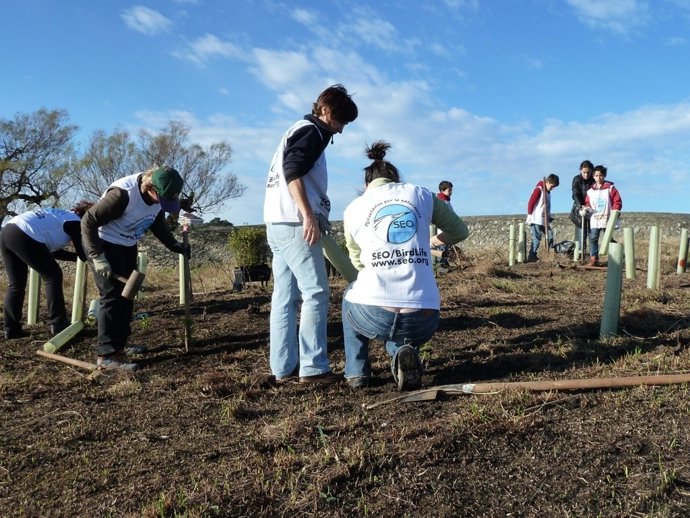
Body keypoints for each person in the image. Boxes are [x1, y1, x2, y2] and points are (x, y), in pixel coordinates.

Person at [342, 141, 470, 391]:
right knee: (405, 309)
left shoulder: (353, 208)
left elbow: (357, 261)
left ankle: (357, 372)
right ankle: (402, 351)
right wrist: (431, 241)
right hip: (424, 316)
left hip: (375, 315)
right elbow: (459, 231)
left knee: (351, 292)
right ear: (396, 180)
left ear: (367, 184)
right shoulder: (420, 194)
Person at [263, 84, 358, 384]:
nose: (341, 131)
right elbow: (293, 172)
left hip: (275, 222)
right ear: (327, 111)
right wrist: (307, 216)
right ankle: (314, 366)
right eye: (341, 122)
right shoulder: (312, 132)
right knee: (316, 292)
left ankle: (283, 367)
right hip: (294, 223)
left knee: (285, 296)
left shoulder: (296, 129)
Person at [81, 166, 190, 370]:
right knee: (112, 296)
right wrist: (97, 256)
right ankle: (106, 357)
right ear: (150, 187)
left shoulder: (158, 197)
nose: (161, 203)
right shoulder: (122, 195)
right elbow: (88, 221)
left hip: (127, 244)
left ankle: (120, 346)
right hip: (103, 243)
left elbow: (156, 223)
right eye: (161, 198)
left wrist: (175, 245)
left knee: (127, 295)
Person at [1, 202, 94, 339]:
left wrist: (76, 257)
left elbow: (52, 253)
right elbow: (83, 253)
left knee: (16, 284)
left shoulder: (62, 217)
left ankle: (11, 329)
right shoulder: (77, 223)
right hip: (24, 233)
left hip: (8, 230)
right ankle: (58, 324)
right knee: (53, 276)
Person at [583, 165, 622, 266]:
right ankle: (593, 259)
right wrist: (586, 209)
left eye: (600, 175)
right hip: (595, 219)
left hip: (607, 218)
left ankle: (618, 255)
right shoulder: (590, 191)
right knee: (593, 238)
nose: (598, 177)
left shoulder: (610, 188)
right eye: (596, 175)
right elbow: (588, 203)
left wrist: (615, 211)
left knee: (608, 238)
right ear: (593, 176)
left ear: (604, 176)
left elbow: (617, 201)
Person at [525, 174, 559, 262]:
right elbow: (531, 202)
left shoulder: (547, 192)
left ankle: (549, 255)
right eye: (552, 186)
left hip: (544, 219)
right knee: (537, 237)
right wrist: (529, 215)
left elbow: (546, 206)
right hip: (536, 218)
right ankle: (532, 256)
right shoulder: (539, 189)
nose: (553, 188)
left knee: (550, 234)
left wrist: (549, 216)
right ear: (547, 182)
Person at [569, 160, 594, 253]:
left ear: (591, 171)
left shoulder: (594, 179)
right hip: (579, 208)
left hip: (592, 208)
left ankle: (592, 254)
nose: (586, 175)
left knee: (592, 231)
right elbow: (575, 193)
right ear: (580, 171)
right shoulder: (576, 179)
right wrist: (581, 206)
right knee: (581, 230)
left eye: (588, 172)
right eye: (584, 172)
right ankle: (580, 252)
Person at [433, 180, 454, 269]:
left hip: (448, 228)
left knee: (445, 248)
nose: (451, 192)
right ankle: (442, 267)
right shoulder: (441, 201)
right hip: (443, 229)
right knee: (442, 248)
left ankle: (444, 265)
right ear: (442, 191)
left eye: (451, 190)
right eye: (449, 190)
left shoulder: (446, 200)